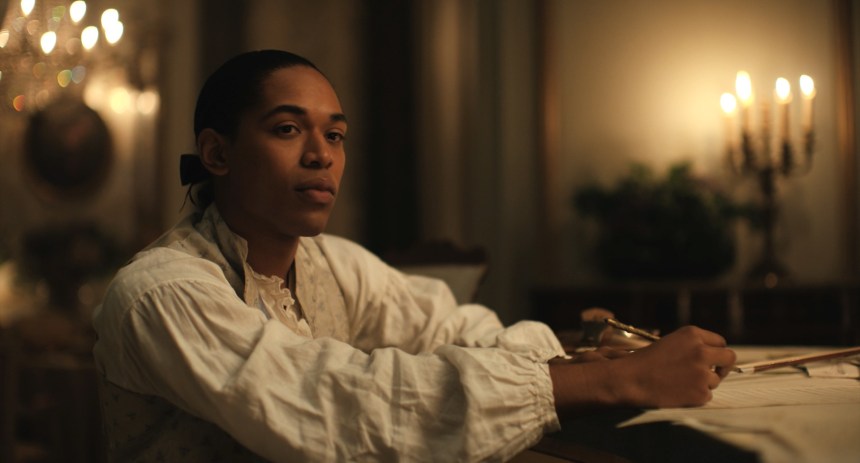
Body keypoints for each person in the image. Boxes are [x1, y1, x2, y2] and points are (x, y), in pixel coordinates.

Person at [92, 50, 736, 462]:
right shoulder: (162, 294)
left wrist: (572, 361)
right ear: (218, 153)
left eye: (335, 135)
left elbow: (455, 328)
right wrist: (614, 379)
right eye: (288, 129)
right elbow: (337, 407)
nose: (322, 155)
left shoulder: (332, 265)